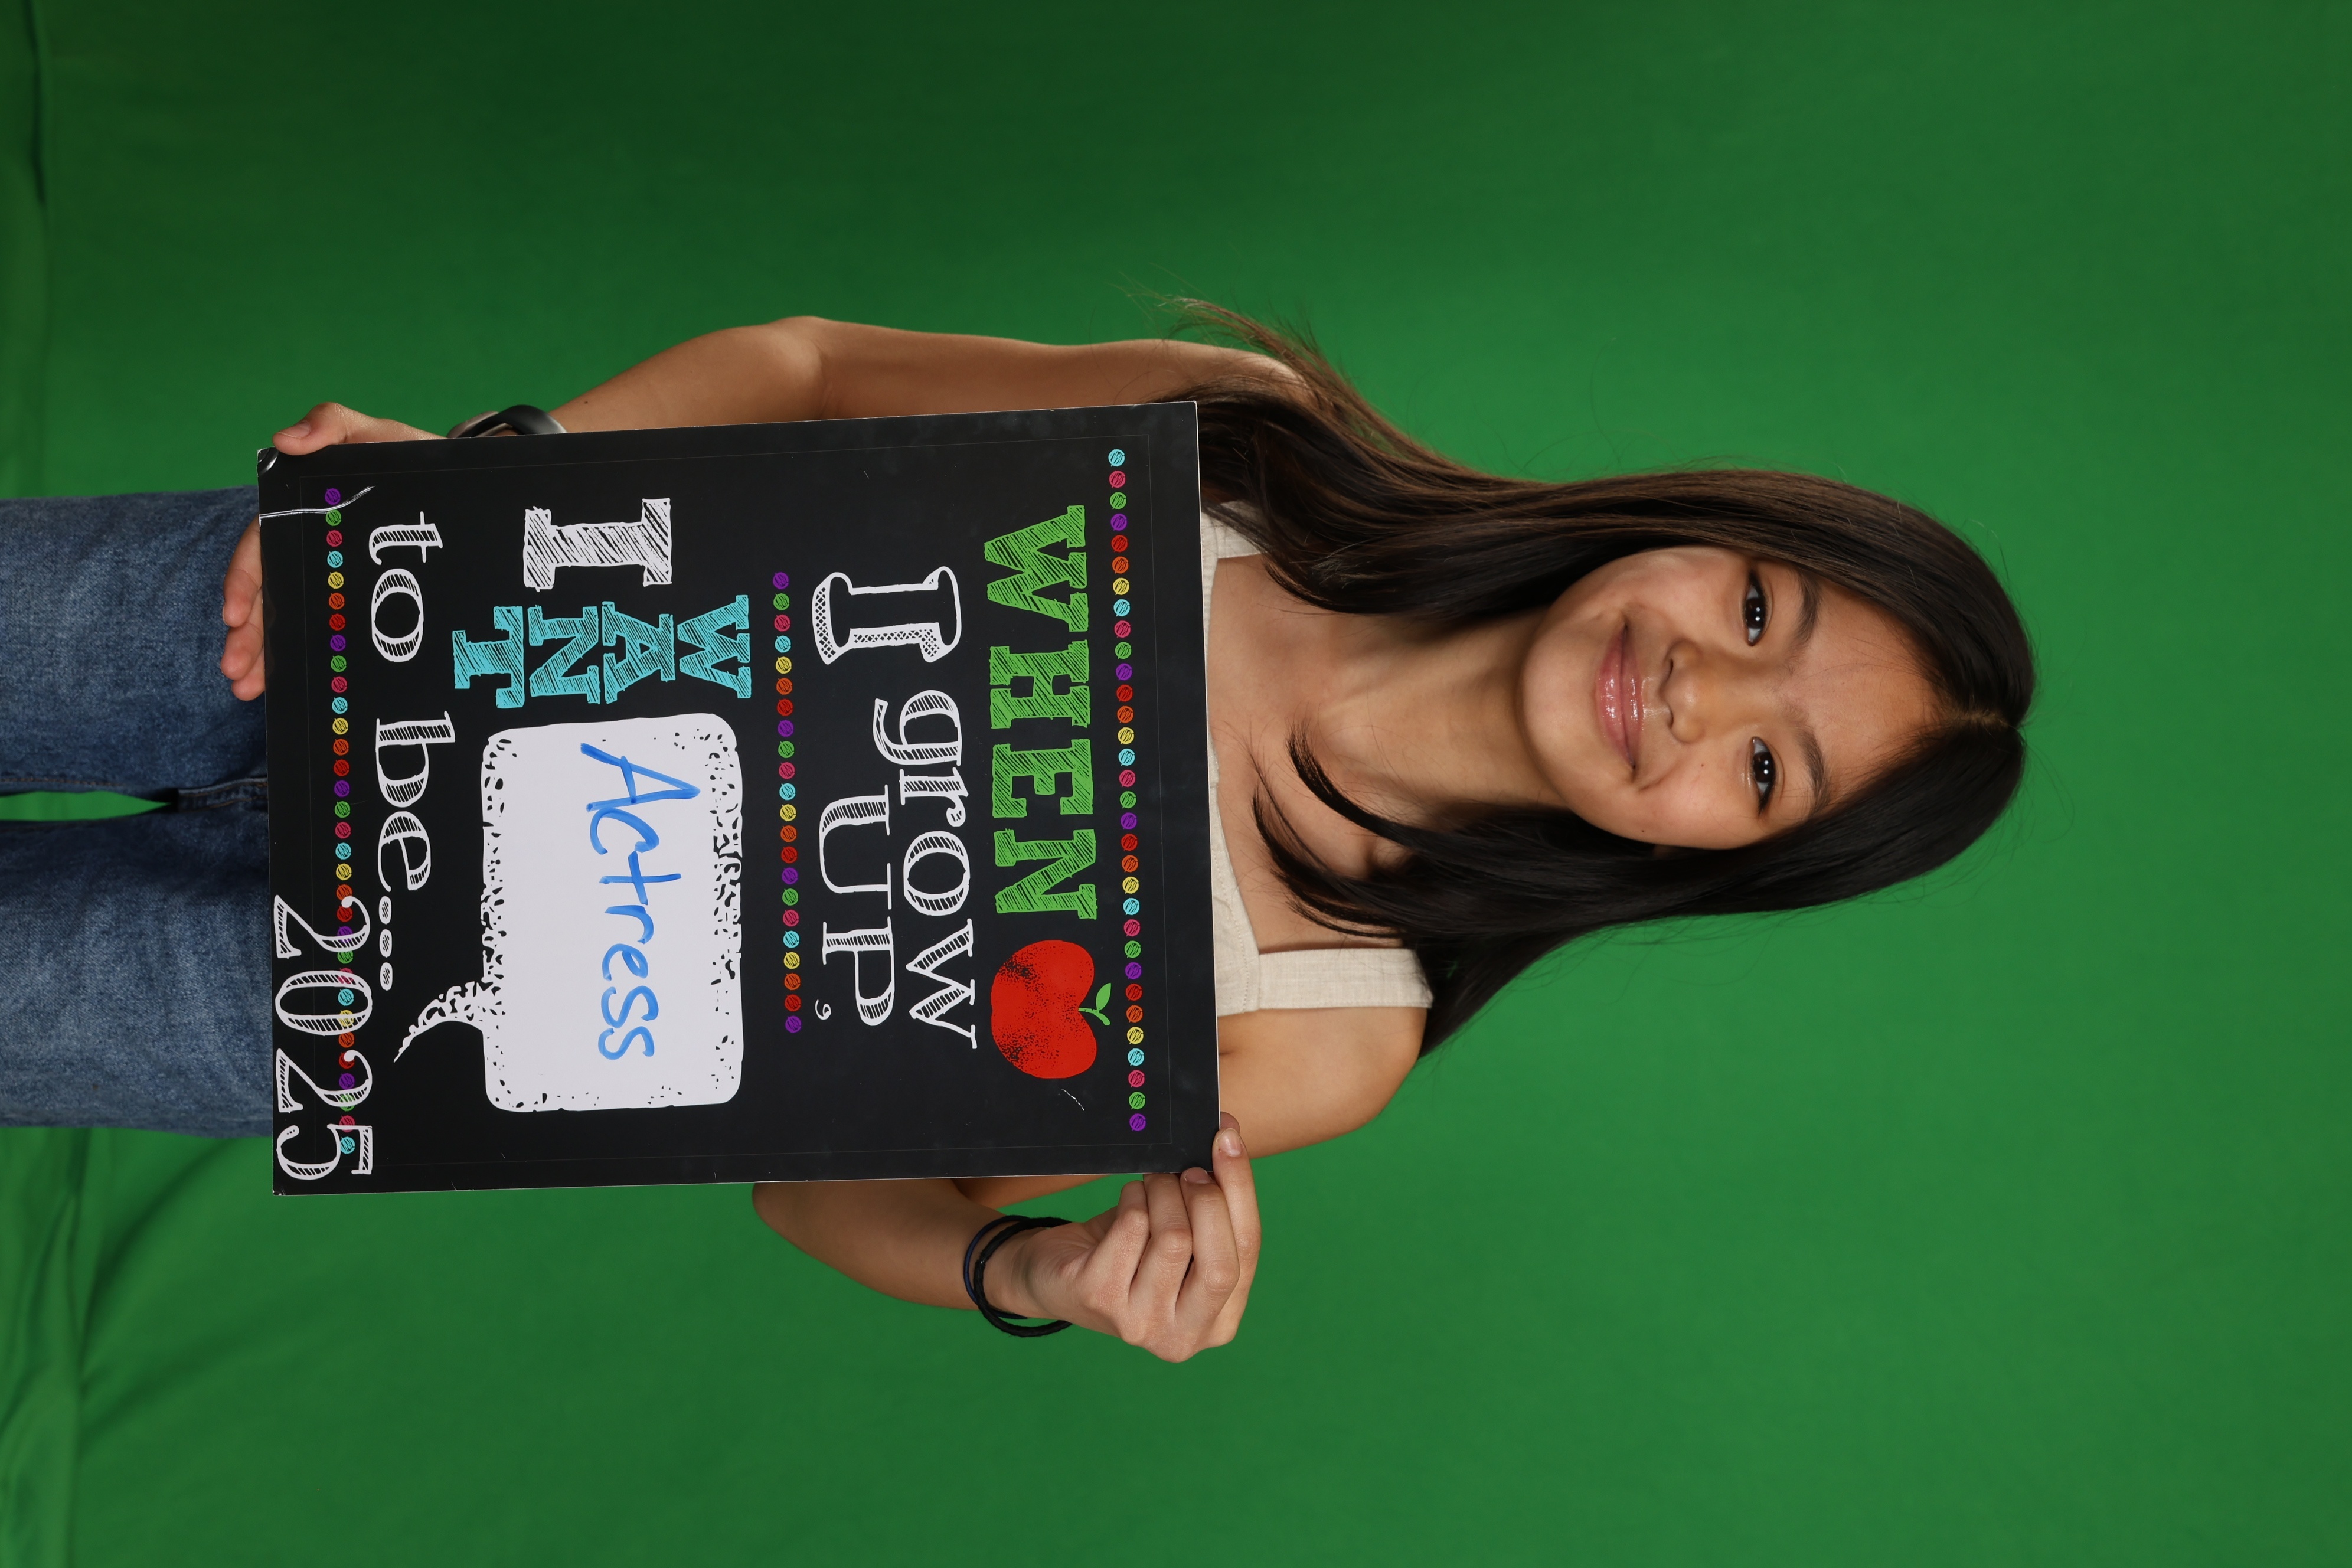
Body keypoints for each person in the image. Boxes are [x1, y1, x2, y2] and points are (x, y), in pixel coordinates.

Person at [4, 307, 2033, 1362]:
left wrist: (1048, 1274)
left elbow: (818, 1191)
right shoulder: (1249, 441)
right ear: (1710, 526)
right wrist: (493, 479)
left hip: (365, 999)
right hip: (341, 627)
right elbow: (809, 375)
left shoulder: (1336, 1026)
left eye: (1764, 772)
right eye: (1757, 609)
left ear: (1723, 859)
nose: (1693, 692)